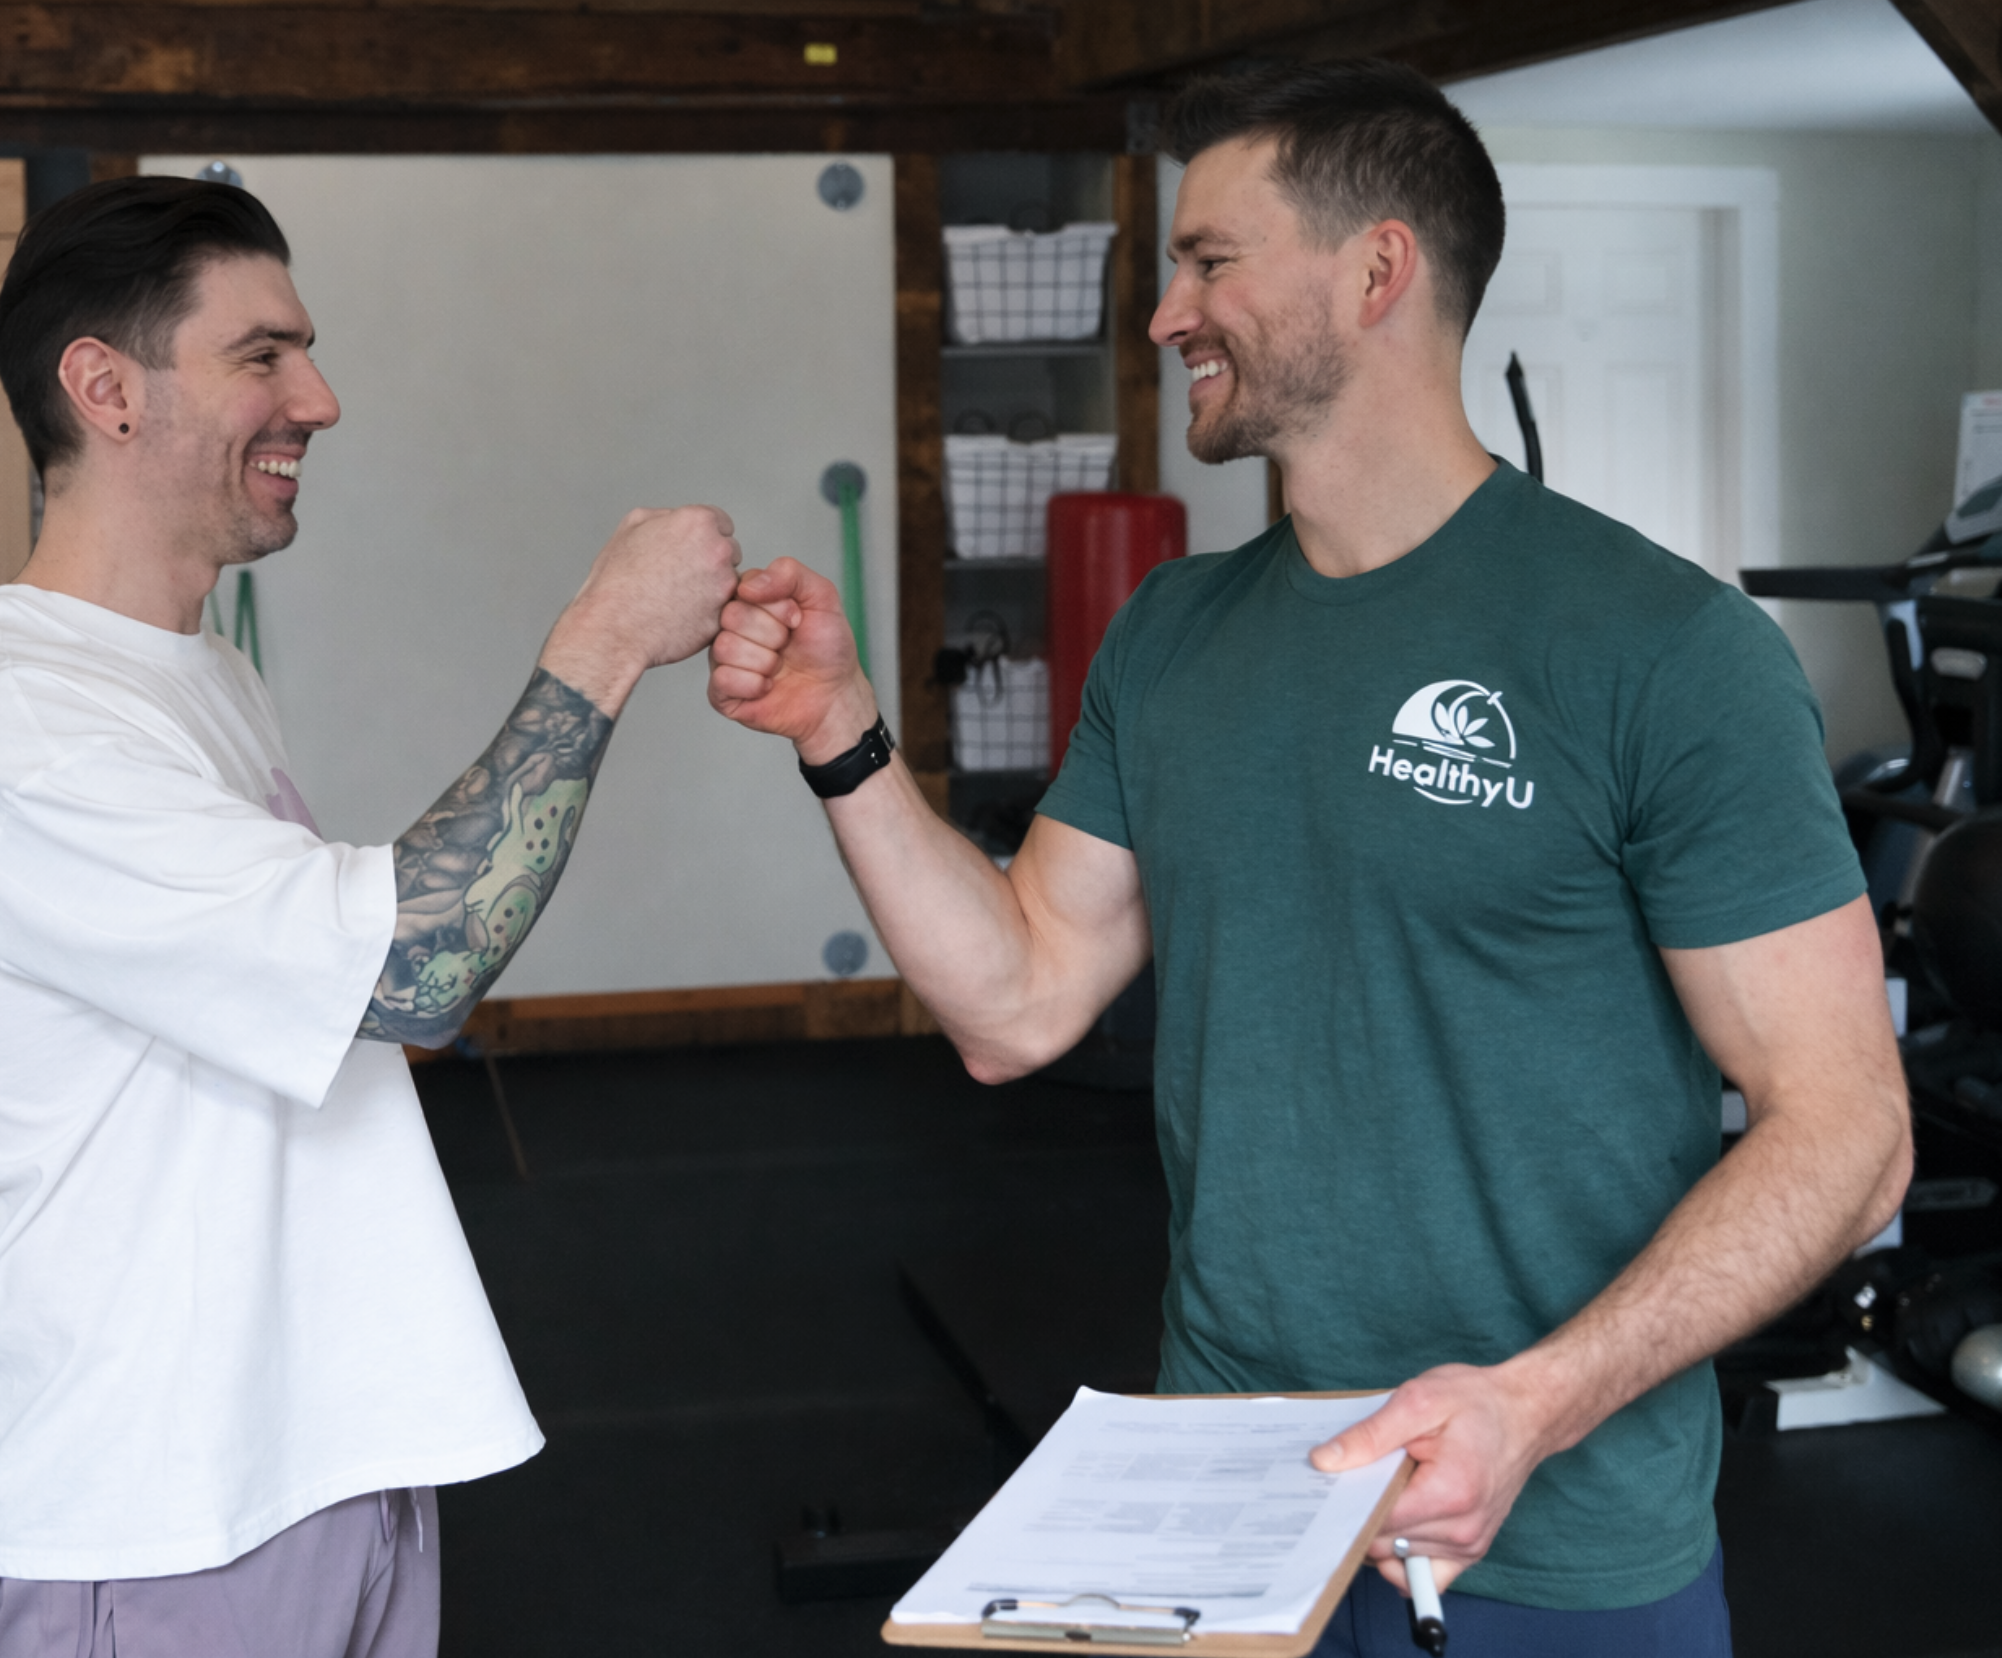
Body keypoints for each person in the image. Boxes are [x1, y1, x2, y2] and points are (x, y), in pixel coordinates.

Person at [708, 60, 1911, 1653]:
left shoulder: (1662, 650)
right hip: (1231, 1508)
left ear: (1376, 271)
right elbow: (1015, 1004)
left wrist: (1532, 1407)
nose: (1162, 313)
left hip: (1547, 1548)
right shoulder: (1175, 636)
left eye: (1208, 260)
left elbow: (1849, 1132)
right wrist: (842, 735)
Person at [0, 176, 739, 1657]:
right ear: (106, 390)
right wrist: (604, 640)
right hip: (165, 1514)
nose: (318, 398)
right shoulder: (22, 727)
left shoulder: (186, 675)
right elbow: (406, 972)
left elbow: (312, 1001)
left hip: (317, 1464)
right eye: (261, 355)